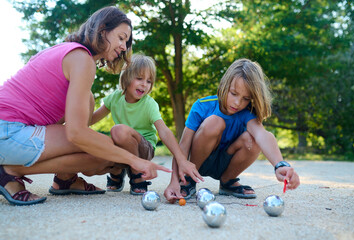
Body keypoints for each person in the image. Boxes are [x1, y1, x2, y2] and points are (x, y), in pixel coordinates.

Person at [0, 6, 171, 206]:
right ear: (102, 30)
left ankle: (65, 178)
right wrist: (135, 160)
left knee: (88, 102)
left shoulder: (65, 50)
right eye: (121, 38)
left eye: (127, 41)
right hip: (8, 131)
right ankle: (10, 172)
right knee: (102, 153)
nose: (124, 47)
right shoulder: (82, 60)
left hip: (12, 128)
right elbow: (77, 134)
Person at [164, 58, 300, 203]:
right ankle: (188, 180)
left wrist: (280, 165)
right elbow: (183, 146)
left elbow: (263, 135)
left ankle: (227, 182)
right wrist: (174, 180)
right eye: (233, 93)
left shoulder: (247, 114)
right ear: (224, 85)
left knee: (252, 139)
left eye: (246, 98)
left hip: (226, 163)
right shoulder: (202, 106)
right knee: (214, 122)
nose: (237, 103)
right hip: (197, 163)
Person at [91, 54, 202, 195]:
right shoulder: (115, 98)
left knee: (118, 131)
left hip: (144, 149)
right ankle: (117, 173)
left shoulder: (149, 104)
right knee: (106, 141)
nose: (144, 84)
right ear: (126, 77)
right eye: (139, 78)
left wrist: (181, 159)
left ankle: (138, 176)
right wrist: (69, 123)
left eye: (149, 81)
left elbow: (164, 131)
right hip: (122, 147)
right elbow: (92, 119)